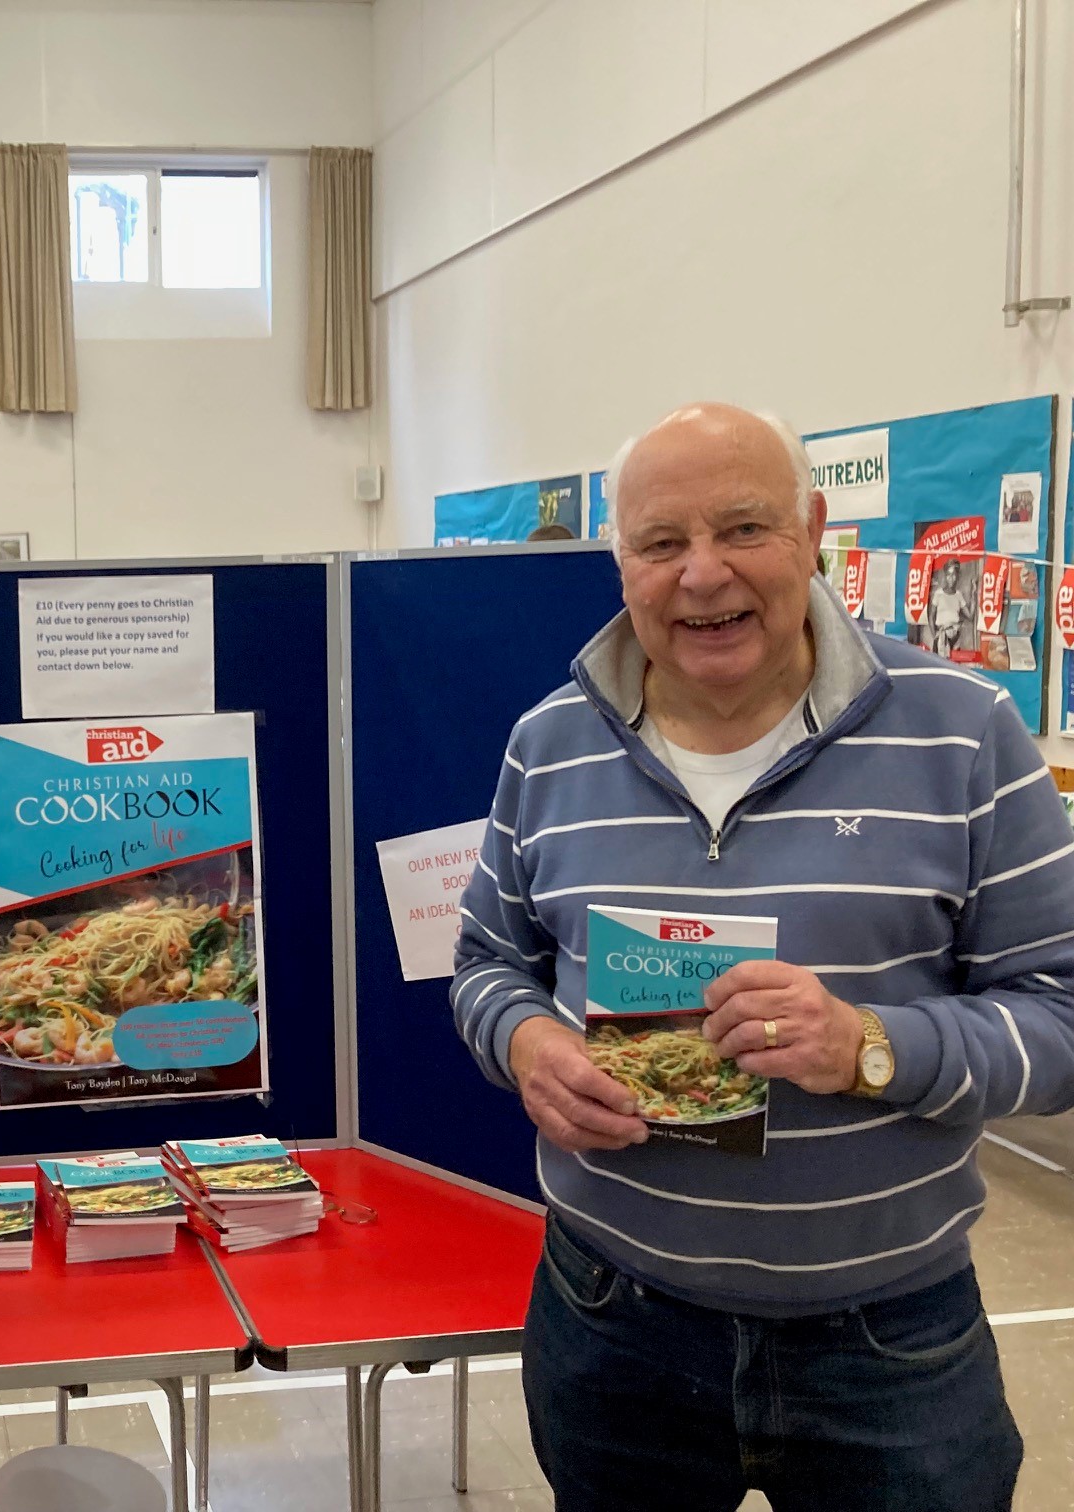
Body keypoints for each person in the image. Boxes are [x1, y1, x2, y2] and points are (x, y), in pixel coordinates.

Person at [452, 401, 1074, 1512]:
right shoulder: (546, 745)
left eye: (744, 529)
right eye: (661, 543)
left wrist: (870, 1046)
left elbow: (1064, 1015)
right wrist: (529, 1039)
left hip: (889, 1348)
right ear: (621, 564)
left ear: (814, 531)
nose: (703, 575)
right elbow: (488, 963)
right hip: (610, 1325)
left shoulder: (964, 733)